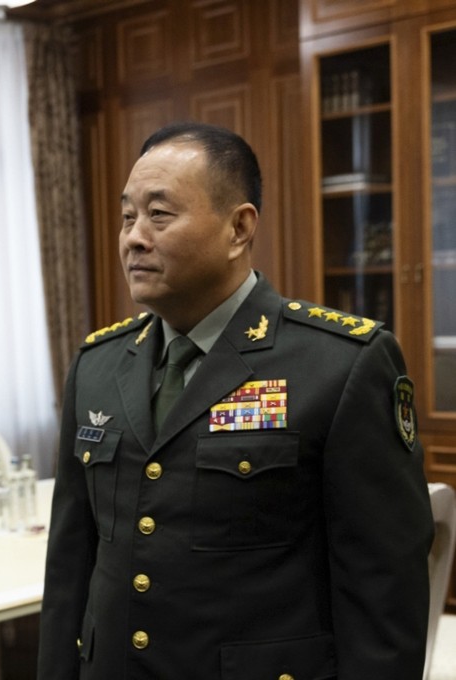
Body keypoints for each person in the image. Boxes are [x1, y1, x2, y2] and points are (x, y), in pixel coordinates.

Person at [38, 122, 434, 679]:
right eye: (128, 216)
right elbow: (70, 571)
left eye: (159, 214)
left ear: (238, 228)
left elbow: (384, 592)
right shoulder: (98, 365)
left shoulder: (340, 363)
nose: (133, 237)